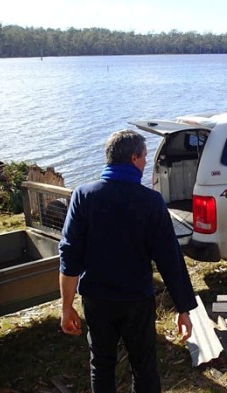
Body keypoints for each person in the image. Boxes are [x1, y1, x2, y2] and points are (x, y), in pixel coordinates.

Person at [59, 130, 197, 393]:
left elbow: (69, 255)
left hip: (97, 299)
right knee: (144, 366)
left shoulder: (83, 196)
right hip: (137, 300)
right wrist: (183, 308)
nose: (146, 163)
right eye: (145, 157)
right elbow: (170, 259)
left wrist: (66, 306)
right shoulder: (150, 201)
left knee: (101, 364)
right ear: (134, 158)